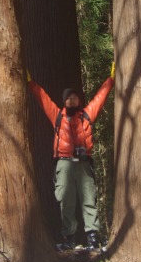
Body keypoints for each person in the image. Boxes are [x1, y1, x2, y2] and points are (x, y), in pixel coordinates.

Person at [27, 63, 115, 250]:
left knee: (89, 199)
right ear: (64, 101)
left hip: (83, 164)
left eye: (75, 98)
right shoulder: (57, 116)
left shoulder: (87, 115)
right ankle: (69, 237)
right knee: (66, 201)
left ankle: (92, 235)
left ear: (78, 100)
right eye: (69, 98)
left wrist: (111, 79)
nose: (72, 100)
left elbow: (100, 98)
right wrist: (30, 83)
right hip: (64, 164)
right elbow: (42, 98)